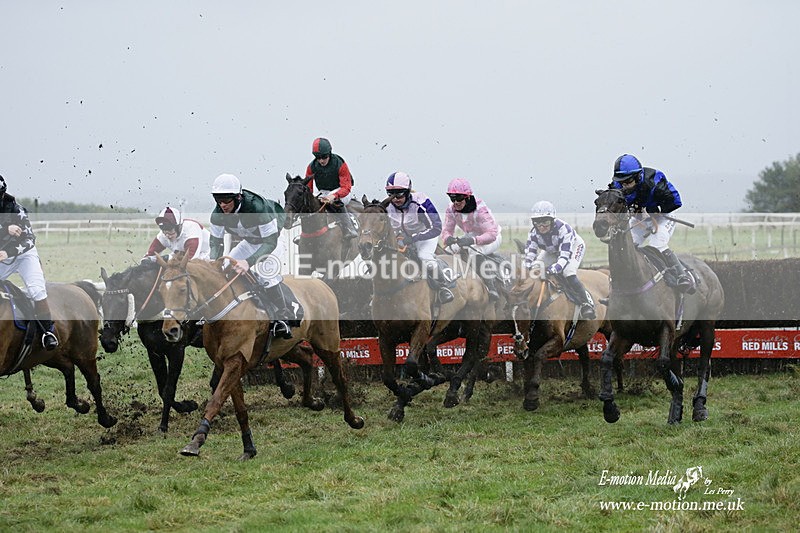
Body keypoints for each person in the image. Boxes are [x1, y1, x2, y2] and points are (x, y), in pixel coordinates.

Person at [209, 173, 301, 339]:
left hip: (272, 241)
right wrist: (213, 263)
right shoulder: (217, 214)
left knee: (264, 273)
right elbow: (215, 243)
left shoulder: (257, 208)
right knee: (222, 268)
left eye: (226, 200)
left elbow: (270, 243)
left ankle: (284, 317)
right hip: (250, 242)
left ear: (238, 197)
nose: (222, 205)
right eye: (218, 200)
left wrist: (248, 262)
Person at [610, 153, 694, 292]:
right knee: (629, 246)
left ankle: (681, 275)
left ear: (638, 176)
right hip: (639, 219)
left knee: (658, 241)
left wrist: (652, 211)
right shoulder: (617, 185)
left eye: (628, 181)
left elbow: (675, 202)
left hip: (664, 215)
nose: (624, 186)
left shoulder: (655, 183)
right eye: (622, 182)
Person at [0, 175, 58, 350]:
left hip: (24, 256)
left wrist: (7, 251)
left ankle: (48, 332)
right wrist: (4, 229)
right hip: (2, 256)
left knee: (36, 290)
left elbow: (29, 240)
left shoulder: (17, 211)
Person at [384, 171, 454, 303]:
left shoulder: (421, 202)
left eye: (399, 194)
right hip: (402, 238)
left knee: (424, 257)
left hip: (426, 236)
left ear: (407, 191)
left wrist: (413, 238)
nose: (395, 199)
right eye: (390, 194)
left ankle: (443, 286)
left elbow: (436, 227)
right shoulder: (387, 207)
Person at [523, 200, 596, 320]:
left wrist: (552, 269)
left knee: (568, 272)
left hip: (573, 247)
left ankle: (586, 303)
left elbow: (564, 257)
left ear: (552, 220)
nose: (541, 226)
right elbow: (530, 255)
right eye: (537, 222)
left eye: (545, 222)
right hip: (552, 249)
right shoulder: (533, 233)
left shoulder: (564, 229)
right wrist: (525, 269)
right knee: (535, 268)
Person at [440, 178, 502, 300]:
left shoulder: (479, 209)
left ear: (467, 197)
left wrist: (473, 240)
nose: (455, 202)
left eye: (458, 198)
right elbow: (446, 231)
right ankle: (446, 284)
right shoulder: (451, 210)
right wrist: (448, 238)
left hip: (493, 237)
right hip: (471, 236)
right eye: (452, 199)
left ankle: (491, 286)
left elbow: (491, 234)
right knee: (447, 250)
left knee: (473, 250)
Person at [304, 137, 358, 240]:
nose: (321, 160)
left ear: (329, 153)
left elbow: (346, 187)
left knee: (335, 202)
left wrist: (333, 196)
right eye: (318, 157)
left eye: (324, 157)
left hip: (342, 191)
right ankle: (305, 234)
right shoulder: (311, 167)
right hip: (323, 192)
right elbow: (308, 189)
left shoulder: (339, 164)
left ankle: (349, 228)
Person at [143, 206, 211, 262]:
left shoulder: (191, 232)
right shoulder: (163, 235)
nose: (167, 235)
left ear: (179, 227)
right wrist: (146, 261)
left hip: (208, 255)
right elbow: (149, 256)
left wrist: (166, 258)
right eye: (163, 229)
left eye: (170, 229)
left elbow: (190, 262)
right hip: (184, 255)